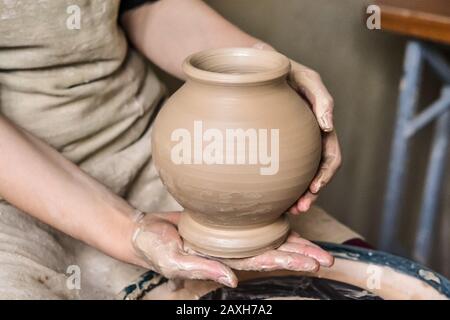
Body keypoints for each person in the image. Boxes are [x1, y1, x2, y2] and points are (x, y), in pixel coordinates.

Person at [0, 0, 341, 299]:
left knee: (343, 278)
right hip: (16, 188)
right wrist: (130, 230)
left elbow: (146, 6)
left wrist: (270, 71)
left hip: (161, 152)